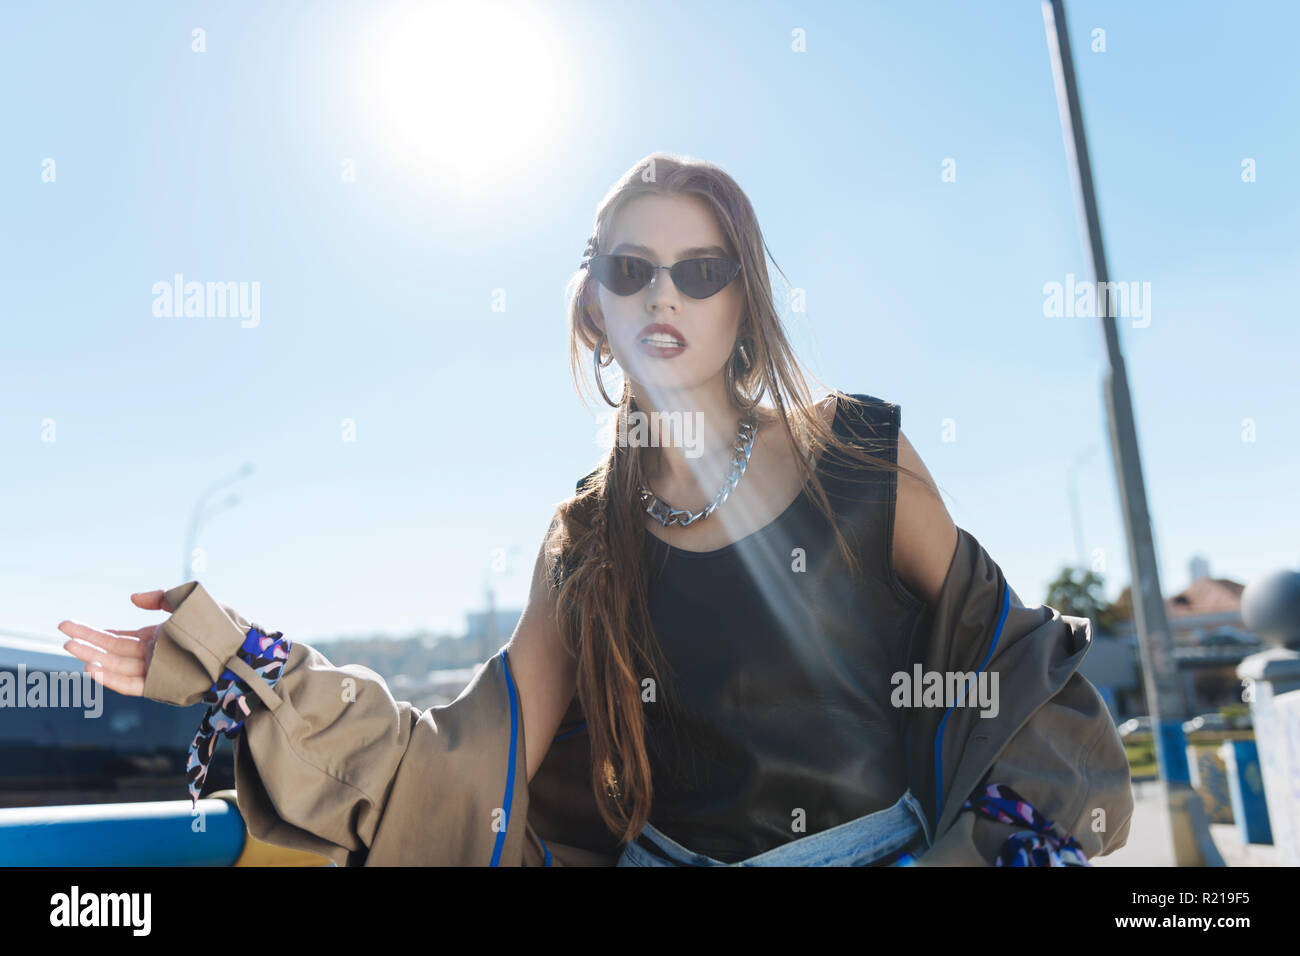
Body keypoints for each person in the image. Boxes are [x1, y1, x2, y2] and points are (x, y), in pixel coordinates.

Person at [58, 153, 1132, 867]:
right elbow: (465, 759)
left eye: (699, 269)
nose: (665, 295)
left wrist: (1016, 836)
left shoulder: (855, 451)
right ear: (597, 307)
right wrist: (247, 662)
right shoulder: (578, 545)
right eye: (633, 269)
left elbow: (1009, 659)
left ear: (742, 297)